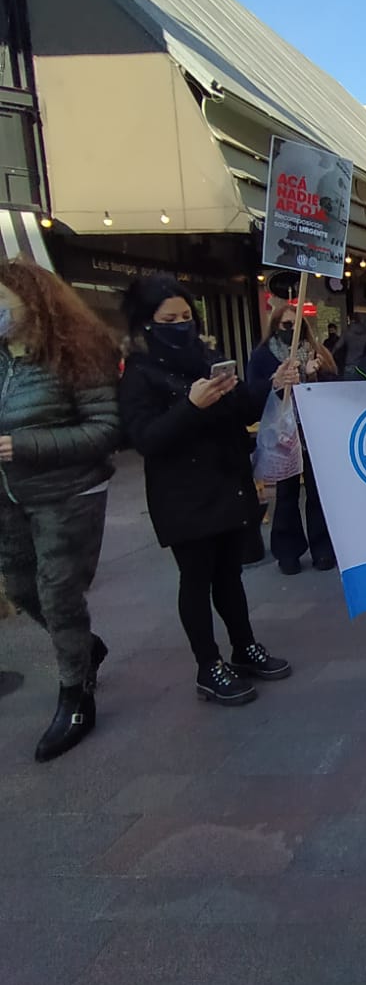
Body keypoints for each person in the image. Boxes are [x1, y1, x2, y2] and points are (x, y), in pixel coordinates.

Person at [119, 276, 293, 705]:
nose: (180, 325)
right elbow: (145, 438)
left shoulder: (207, 357)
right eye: (169, 319)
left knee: (230, 576)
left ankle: (244, 646)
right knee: (196, 580)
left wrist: (269, 386)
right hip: (183, 496)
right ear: (147, 324)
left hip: (227, 484)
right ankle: (207, 664)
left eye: (185, 317)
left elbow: (241, 412)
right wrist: (190, 406)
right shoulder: (139, 374)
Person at [0, 260, 119, 761]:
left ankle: (75, 694)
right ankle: (84, 647)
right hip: (10, 497)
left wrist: (25, 445)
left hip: (68, 493)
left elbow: (105, 430)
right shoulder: (4, 361)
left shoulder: (74, 353)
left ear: (31, 300)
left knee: (59, 593)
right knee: (22, 588)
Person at [246, 305, 337, 574]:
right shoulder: (263, 355)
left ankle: (323, 548)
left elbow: (333, 385)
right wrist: (276, 381)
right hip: (281, 432)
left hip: (312, 430)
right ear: (275, 326)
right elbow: (253, 392)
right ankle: (287, 551)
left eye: (295, 325)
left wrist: (313, 374)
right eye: (285, 325)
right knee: (285, 495)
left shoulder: (316, 351)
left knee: (317, 492)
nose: (291, 330)